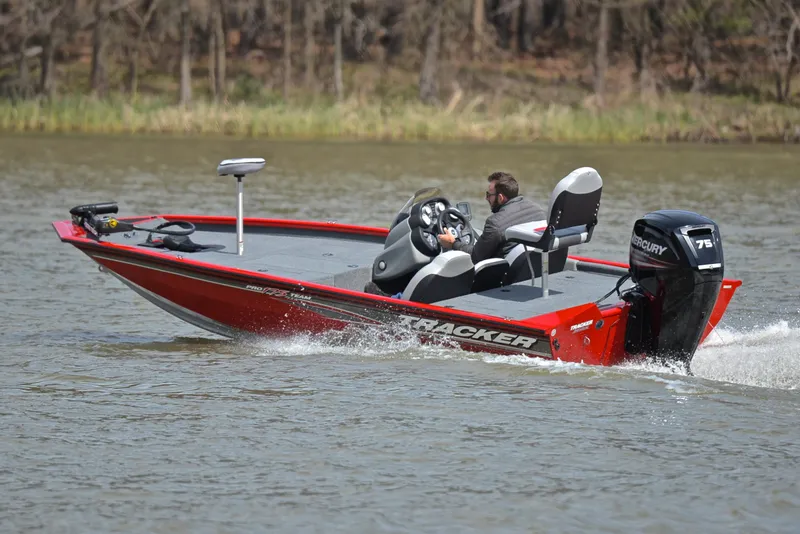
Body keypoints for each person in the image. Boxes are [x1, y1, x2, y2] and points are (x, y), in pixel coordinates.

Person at [438, 171, 546, 264]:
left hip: (500, 280)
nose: (486, 198)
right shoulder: (538, 210)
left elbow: (475, 257)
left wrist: (452, 243)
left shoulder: (495, 223)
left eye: (489, 194)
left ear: (500, 198)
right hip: (528, 271)